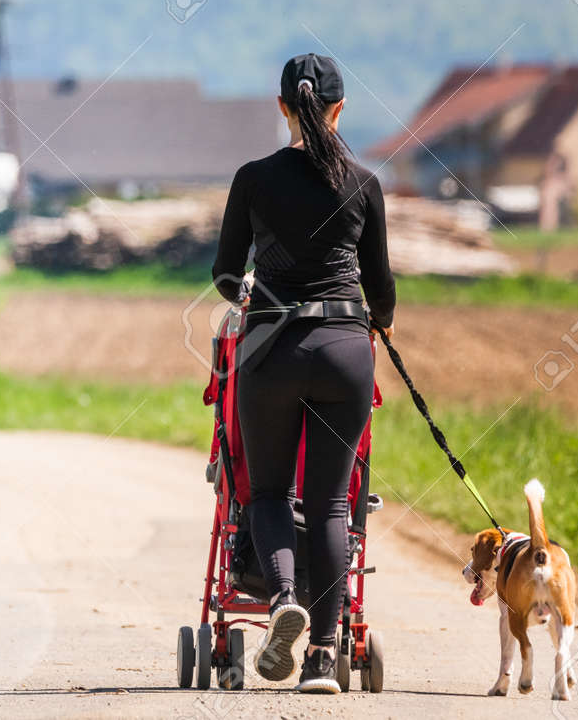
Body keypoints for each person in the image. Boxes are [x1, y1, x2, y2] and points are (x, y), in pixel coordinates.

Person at [211, 53, 395, 694]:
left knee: (265, 495)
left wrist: (257, 298)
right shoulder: (364, 182)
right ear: (340, 108)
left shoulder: (254, 178)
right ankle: (322, 655)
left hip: (273, 350)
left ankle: (282, 595)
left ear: (283, 106)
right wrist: (379, 324)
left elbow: (226, 273)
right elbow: (382, 288)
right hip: (346, 350)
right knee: (331, 503)